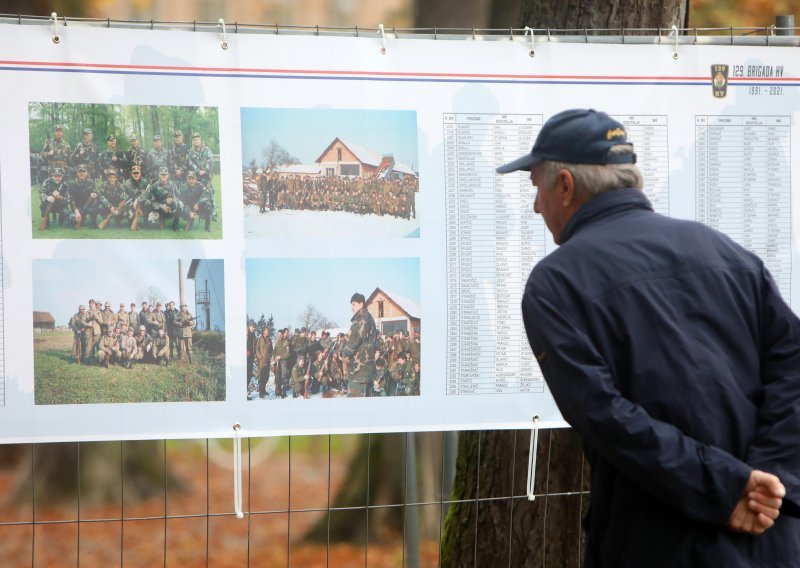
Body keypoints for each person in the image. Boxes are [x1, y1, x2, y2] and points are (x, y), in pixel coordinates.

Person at [496, 108, 800, 565]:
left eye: (535, 186)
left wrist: (734, 489)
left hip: (657, 540)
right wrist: (765, 481)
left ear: (565, 184)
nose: (536, 205)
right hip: (769, 540)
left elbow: (608, 419)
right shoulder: (723, 251)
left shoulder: (556, 284)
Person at [341, 292, 377, 397]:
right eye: (351, 305)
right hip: (368, 372)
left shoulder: (361, 318)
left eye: (354, 304)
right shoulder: (369, 317)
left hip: (358, 374)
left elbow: (351, 345)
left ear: (361, 304)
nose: (351, 308)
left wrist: (343, 351)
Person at [255, 326, 272, 399]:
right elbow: (256, 349)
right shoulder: (259, 339)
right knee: (261, 377)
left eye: (268, 330)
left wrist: (270, 356)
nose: (268, 332)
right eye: (266, 330)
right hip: (261, 361)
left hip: (267, 361)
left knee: (266, 377)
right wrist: (260, 357)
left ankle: (264, 390)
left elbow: (271, 350)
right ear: (263, 331)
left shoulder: (269, 340)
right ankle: (261, 392)